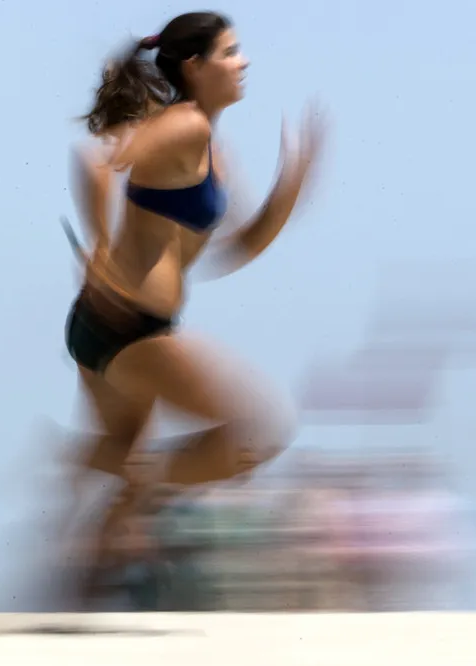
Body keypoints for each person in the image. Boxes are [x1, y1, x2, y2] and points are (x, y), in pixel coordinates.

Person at [62, 11, 325, 592]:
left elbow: (239, 246)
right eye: (230, 52)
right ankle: (110, 473)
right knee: (253, 435)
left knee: (123, 490)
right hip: (130, 325)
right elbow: (94, 160)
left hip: (115, 325)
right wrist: (101, 252)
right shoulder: (184, 128)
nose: (243, 62)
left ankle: (71, 600)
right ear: (195, 66)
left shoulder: (210, 147)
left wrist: (290, 187)